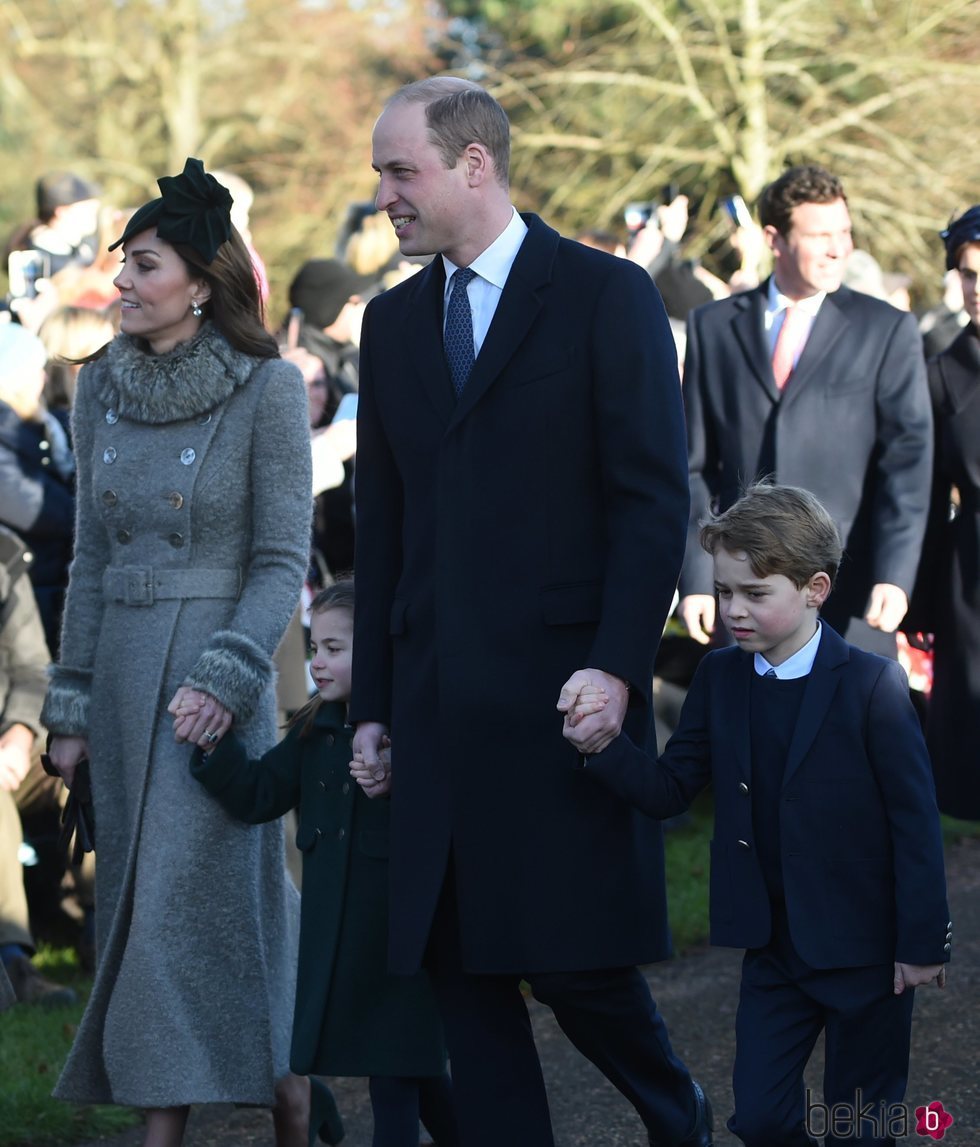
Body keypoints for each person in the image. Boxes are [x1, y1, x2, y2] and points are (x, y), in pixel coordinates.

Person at [351, 77, 709, 1147]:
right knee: (459, 969)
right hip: (435, 706)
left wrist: (613, 662)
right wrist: (373, 703)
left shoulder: (605, 296)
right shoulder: (390, 321)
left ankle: (672, 1106)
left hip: (563, 699)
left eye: (398, 171)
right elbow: (382, 531)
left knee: (569, 963)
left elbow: (650, 500)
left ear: (473, 165)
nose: (383, 197)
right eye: (379, 175)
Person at [41, 158, 313, 1147]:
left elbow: (283, 557)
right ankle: (275, 1083)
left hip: (215, 681)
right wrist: (67, 710)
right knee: (149, 903)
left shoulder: (268, 389)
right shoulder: (98, 388)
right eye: (121, 265)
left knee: (195, 904)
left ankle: (217, 1108)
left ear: (199, 281)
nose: (118, 284)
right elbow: (90, 559)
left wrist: (228, 678)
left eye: (141, 266)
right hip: (119, 682)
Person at [573, 484, 951, 1147]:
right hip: (773, 950)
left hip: (866, 948)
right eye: (724, 592)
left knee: (862, 1124)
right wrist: (604, 745)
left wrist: (921, 943)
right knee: (763, 1116)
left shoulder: (870, 684)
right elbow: (669, 788)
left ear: (815, 588)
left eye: (755, 593)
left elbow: (914, 822)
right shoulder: (720, 678)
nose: (733, 610)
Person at [190, 579, 457, 1147]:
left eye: (335, 649)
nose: (318, 662)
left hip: (404, 944)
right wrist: (216, 747)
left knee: (397, 1071)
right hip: (346, 947)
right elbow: (259, 794)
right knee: (415, 1071)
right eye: (315, 647)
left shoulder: (414, 728)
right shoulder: (316, 730)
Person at [679, 164, 933, 656]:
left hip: (852, 591)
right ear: (774, 238)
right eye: (820, 236)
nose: (839, 248)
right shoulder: (713, 327)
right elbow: (693, 468)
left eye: (844, 232)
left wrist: (895, 576)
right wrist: (698, 576)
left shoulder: (886, 330)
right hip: (743, 596)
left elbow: (907, 466)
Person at [909, 205, 980, 820]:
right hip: (973, 588)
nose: (978, 288)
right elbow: (928, 503)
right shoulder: (941, 374)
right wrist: (922, 605)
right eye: (968, 273)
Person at [0, 524, 78, 1006]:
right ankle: (12, 961)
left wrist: (20, 733)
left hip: (10, 739)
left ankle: (103, 936)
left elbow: (32, 668)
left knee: (81, 772)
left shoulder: (4, 556)